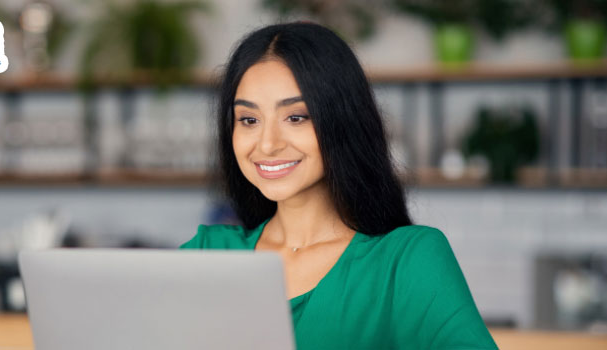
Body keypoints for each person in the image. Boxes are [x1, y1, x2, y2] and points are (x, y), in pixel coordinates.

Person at [179, 22, 498, 350]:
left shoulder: (406, 261)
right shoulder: (207, 254)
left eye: (296, 117)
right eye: (249, 120)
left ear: (342, 120)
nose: (268, 144)